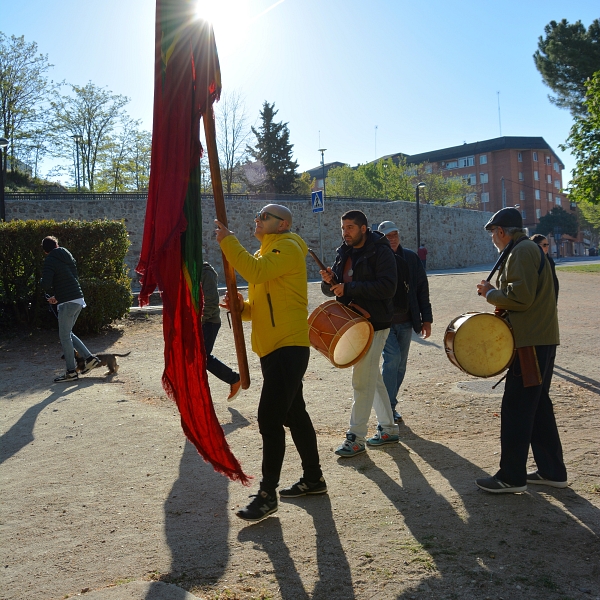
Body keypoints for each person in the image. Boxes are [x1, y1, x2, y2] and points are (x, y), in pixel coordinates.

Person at [215, 205, 325, 523]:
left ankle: (267, 495)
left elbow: (256, 273)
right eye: (257, 216)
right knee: (294, 414)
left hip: (288, 348)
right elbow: (262, 304)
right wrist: (242, 307)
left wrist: (228, 242)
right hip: (274, 349)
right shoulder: (266, 253)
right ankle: (314, 478)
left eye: (263, 216)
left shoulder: (287, 246)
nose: (257, 219)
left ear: (282, 224)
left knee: (268, 418)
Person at [475, 208, 567, 493]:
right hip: (537, 339)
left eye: (493, 232)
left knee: (516, 407)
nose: (493, 237)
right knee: (537, 406)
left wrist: (490, 293)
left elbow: (521, 298)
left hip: (530, 343)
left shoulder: (521, 252)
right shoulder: (524, 249)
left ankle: (511, 477)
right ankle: (552, 471)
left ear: (501, 231)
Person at [320, 210, 399, 457]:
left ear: (364, 228)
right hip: (353, 322)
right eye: (343, 228)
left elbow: (388, 287)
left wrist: (349, 287)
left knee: (361, 381)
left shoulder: (381, 251)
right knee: (371, 378)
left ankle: (356, 437)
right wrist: (329, 281)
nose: (346, 232)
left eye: (351, 227)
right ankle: (388, 428)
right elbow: (333, 289)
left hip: (375, 323)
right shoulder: (343, 252)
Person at [377, 221, 433, 423]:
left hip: (407, 320)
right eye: (387, 236)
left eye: (394, 234)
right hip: (384, 322)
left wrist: (426, 319)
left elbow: (421, 288)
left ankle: (390, 405)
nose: (391, 239)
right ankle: (386, 409)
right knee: (392, 360)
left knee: (400, 365)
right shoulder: (377, 258)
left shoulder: (410, 257)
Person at [40, 236, 100, 382]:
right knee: (68, 334)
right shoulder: (67, 255)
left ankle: (71, 372)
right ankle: (90, 359)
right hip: (78, 299)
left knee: (64, 336)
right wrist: (58, 296)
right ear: (57, 245)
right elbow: (73, 277)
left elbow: (46, 283)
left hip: (67, 302)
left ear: (45, 251)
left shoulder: (50, 260)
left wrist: (48, 291)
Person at [200, 262, 241, 400]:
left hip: (208, 323)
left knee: (202, 358)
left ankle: (234, 379)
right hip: (199, 323)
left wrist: (200, 320)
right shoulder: (189, 272)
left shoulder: (205, 272)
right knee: (198, 358)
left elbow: (211, 301)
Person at [530, 234, 559, 302]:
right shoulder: (531, 260)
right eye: (544, 245)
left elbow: (554, 281)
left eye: (547, 245)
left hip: (550, 296)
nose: (547, 247)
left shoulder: (549, 260)